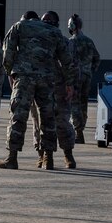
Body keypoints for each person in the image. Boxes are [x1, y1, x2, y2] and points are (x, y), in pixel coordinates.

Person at [0, 11, 73, 170]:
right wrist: (70, 83)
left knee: (18, 115)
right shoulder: (54, 31)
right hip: (47, 79)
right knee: (48, 117)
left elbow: (8, 51)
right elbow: (67, 59)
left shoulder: (19, 26)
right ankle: (48, 159)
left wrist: (10, 73)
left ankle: (12, 158)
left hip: (24, 77)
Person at [31, 11, 78, 169]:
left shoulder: (65, 42)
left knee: (62, 122)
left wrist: (70, 86)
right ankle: (44, 155)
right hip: (39, 88)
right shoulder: (34, 42)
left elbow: (70, 65)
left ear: (57, 24)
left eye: (50, 21)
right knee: (39, 123)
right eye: (44, 20)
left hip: (59, 89)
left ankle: (68, 154)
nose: (47, 23)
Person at [67, 14, 101, 144]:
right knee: (83, 103)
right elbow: (97, 58)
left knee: (74, 103)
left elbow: (67, 60)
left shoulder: (71, 42)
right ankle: (81, 129)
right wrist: (90, 71)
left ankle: (78, 132)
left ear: (72, 26)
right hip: (87, 77)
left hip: (75, 76)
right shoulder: (89, 41)